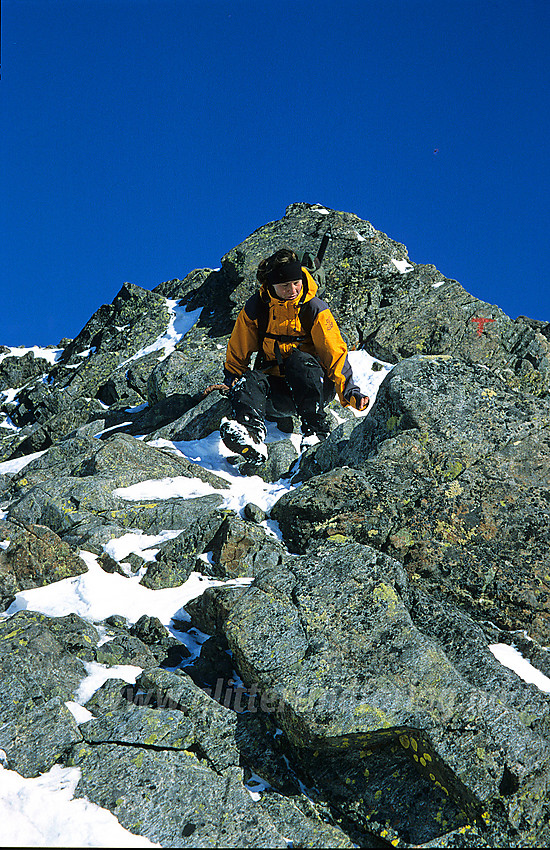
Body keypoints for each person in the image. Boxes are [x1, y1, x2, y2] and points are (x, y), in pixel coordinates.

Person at [220, 247, 369, 469]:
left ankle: (315, 431)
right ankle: (252, 435)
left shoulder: (314, 307)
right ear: (271, 286)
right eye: (284, 286)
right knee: (251, 378)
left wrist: (349, 392)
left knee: (299, 360)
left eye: (296, 283)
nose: (292, 290)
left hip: (315, 386)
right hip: (277, 394)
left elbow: (334, 352)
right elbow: (238, 347)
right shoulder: (256, 308)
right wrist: (232, 377)